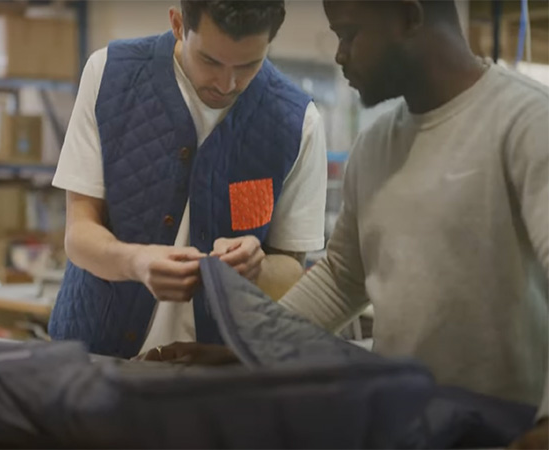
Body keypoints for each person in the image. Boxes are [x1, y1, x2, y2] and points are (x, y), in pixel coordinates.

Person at [144, 0, 549, 446]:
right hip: (410, 426)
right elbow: (340, 278)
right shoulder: (376, 145)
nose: (339, 54)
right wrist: (248, 351)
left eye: (349, 34)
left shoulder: (525, 124)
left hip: (507, 428)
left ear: (410, 17)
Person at [48, 0, 328, 358]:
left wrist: (258, 269)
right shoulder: (110, 74)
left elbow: (291, 269)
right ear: (178, 24)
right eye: (211, 61)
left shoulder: (298, 121)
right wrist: (136, 262)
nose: (227, 84)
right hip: (93, 356)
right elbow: (79, 234)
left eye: (248, 65)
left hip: (215, 374)